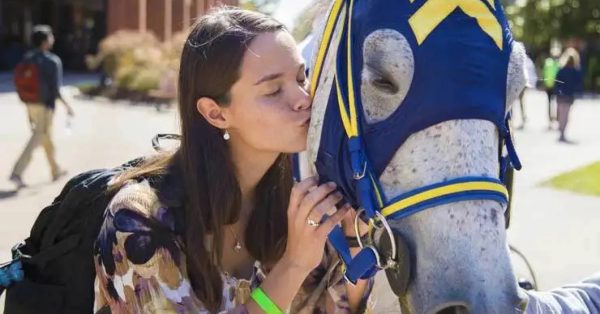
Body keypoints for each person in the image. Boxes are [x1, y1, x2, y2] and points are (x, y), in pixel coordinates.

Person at [93, 8, 371, 314]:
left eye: (301, 77)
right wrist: (292, 266)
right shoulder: (138, 221)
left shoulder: (293, 206)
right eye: (274, 90)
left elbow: (345, 305)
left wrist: (353, 235)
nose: (304, 98)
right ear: (216, 113)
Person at [9, 25, 74, 189]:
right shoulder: (52, 61)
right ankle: (17, 172)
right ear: (46, 41)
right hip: (45, 105)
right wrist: (68, 106)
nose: (52, 38)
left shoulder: (27, 58)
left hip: (30, 103)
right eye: (50, 36)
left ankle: (55, 170)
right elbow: (56, 89)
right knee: (38, 136)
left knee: (46, 137)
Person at [554, 48, 583, 143]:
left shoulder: (561, 69)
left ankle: (560, 130)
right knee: (566, 114)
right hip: (569, 95)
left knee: (561, 113)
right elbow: (578, 83)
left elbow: (557, 82)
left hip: (561, 95)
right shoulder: (576, 71)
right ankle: (562, 131)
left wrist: (557, 91)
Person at [516, 54, 538, 129]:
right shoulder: (529, 61)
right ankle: (523, 116)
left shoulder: (520, 60)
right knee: (521, 101)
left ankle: (521, 116)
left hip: (520, 83)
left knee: (517, 101)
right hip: (524, 83)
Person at [542, 47, 561, 129]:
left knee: (556, 103)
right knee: (551, 103)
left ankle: (556, 119)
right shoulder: (551, 62)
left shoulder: (558, 63)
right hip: (549, 86)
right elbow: (544, 73)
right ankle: (551, 119)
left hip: (554, 85)